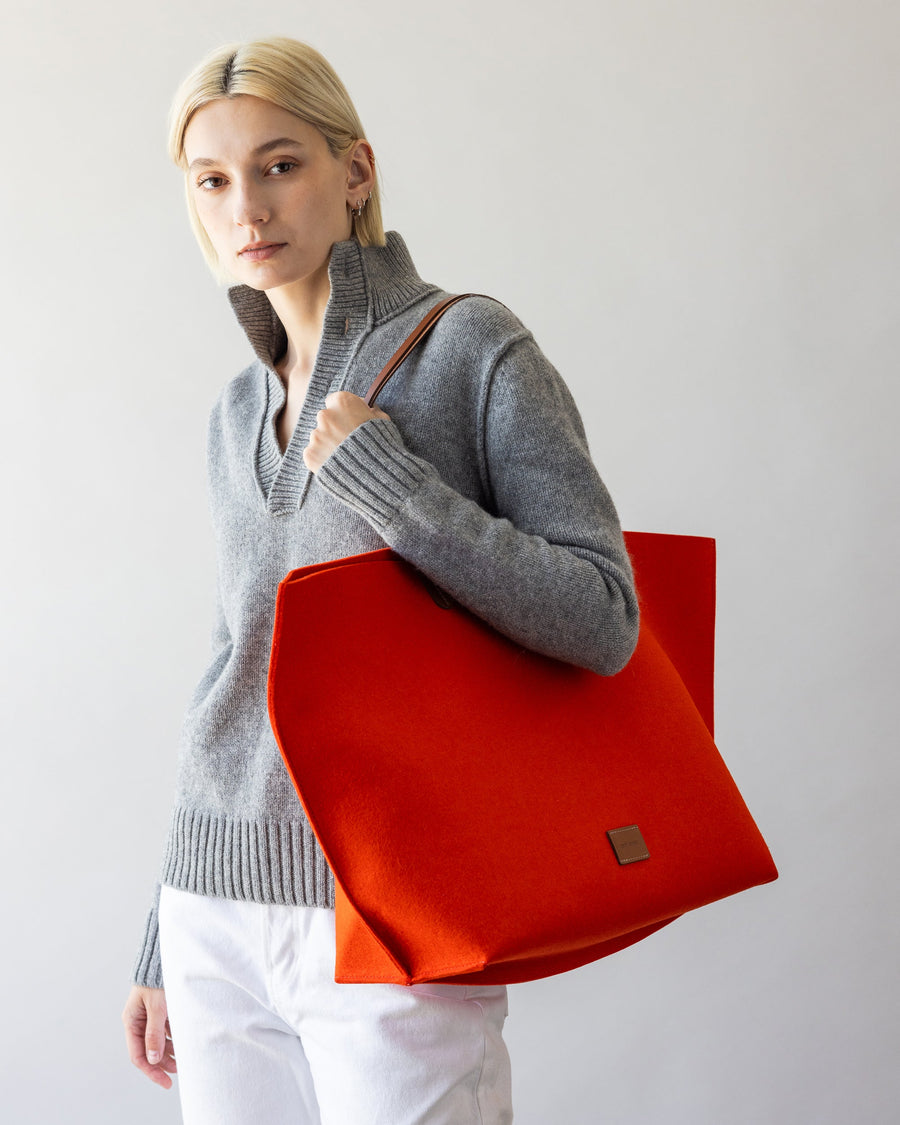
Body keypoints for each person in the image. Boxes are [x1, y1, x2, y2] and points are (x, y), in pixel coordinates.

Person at [121, 35, 640, 1125]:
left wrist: (390, 487)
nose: (246, 209)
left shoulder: (470, 348)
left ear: (353, 172)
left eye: (280, 165)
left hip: (394, 902)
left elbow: (603, 617)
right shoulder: (235, 412)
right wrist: (166, 929)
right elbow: (237, 661)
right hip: (217, 906)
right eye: (212, 181)